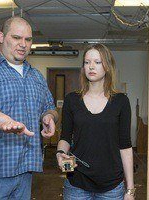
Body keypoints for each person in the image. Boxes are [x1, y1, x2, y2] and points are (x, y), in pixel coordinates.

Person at [0, 16, 58, 199]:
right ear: (1, 37)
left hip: (25, 171)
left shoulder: (36, 76)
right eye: (16, 37)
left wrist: (49, 117)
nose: (23, 44)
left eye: (28, 39)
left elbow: (50, 107)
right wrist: (5, 122)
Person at [56, 44, 135, 200]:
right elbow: (65, 136)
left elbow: (125, 146)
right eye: (87, 62)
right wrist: (60, 153)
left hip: (111, 187)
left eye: (97, 62)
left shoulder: (121, 101)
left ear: (107, 66)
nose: (91, 66)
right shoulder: (72, 100)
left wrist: (130, 190)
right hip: (76, 184)